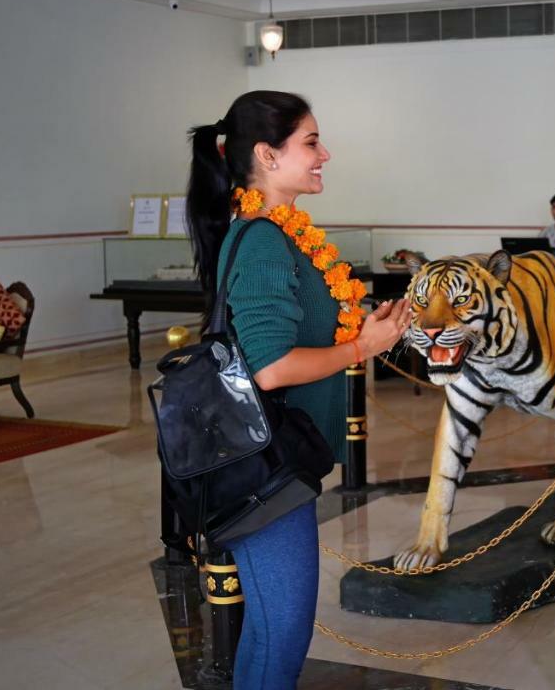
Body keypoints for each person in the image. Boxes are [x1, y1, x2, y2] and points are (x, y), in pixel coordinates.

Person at [186, 90, 410, 689]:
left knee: (272, 631)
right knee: (282, 632)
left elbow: (289, 337)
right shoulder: (261, 238)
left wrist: (366, 331)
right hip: (265, 467)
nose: (324, 154)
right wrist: (362, 349)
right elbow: (272, 368)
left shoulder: (278, 232)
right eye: (311, 142)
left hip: (282, 459)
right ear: (266, 154)